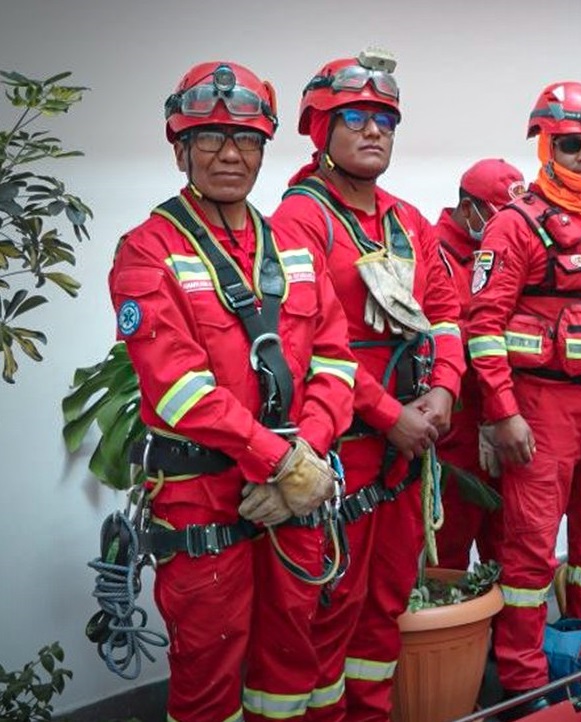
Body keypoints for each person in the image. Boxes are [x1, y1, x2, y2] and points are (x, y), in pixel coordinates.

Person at [109, 61, 355, 722]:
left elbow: (336, 361)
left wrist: (306, 456)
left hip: (293, 491)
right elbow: (180, 388)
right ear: (179, 148)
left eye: (245, 139)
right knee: (209, 676)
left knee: (292, 662)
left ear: (264, 149)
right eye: (210, 138)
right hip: (204, 502)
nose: (229, 154)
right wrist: (284, 464)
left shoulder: (295, 250)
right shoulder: (147, 252)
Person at [270, 49, 465, 721]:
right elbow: (308, 346)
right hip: (345, 449)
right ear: (319, 131)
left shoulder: (406, 220)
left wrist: (442, 393)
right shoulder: (299, 220)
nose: (374, 130)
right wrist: (390, 416)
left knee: (384, 607)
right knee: (332, 609)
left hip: (409, 447)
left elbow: (447, 315)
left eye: (385, 119)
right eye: (354, 116)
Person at [465, 80, 581, 718]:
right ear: (545, 143)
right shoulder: (513, 226)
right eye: (570, 143)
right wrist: (504, 412)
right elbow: (482, 327)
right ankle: (524, 681)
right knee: (529, 550)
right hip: (541, 410)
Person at [433, 158, 527, 570]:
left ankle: (502, 634)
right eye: (498, 217)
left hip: (507, 417)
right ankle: (451, 635)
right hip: (456, 426)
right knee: (449, 545)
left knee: (509, 542)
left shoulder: (513, 250)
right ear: (467, 208)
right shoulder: (431, 251)